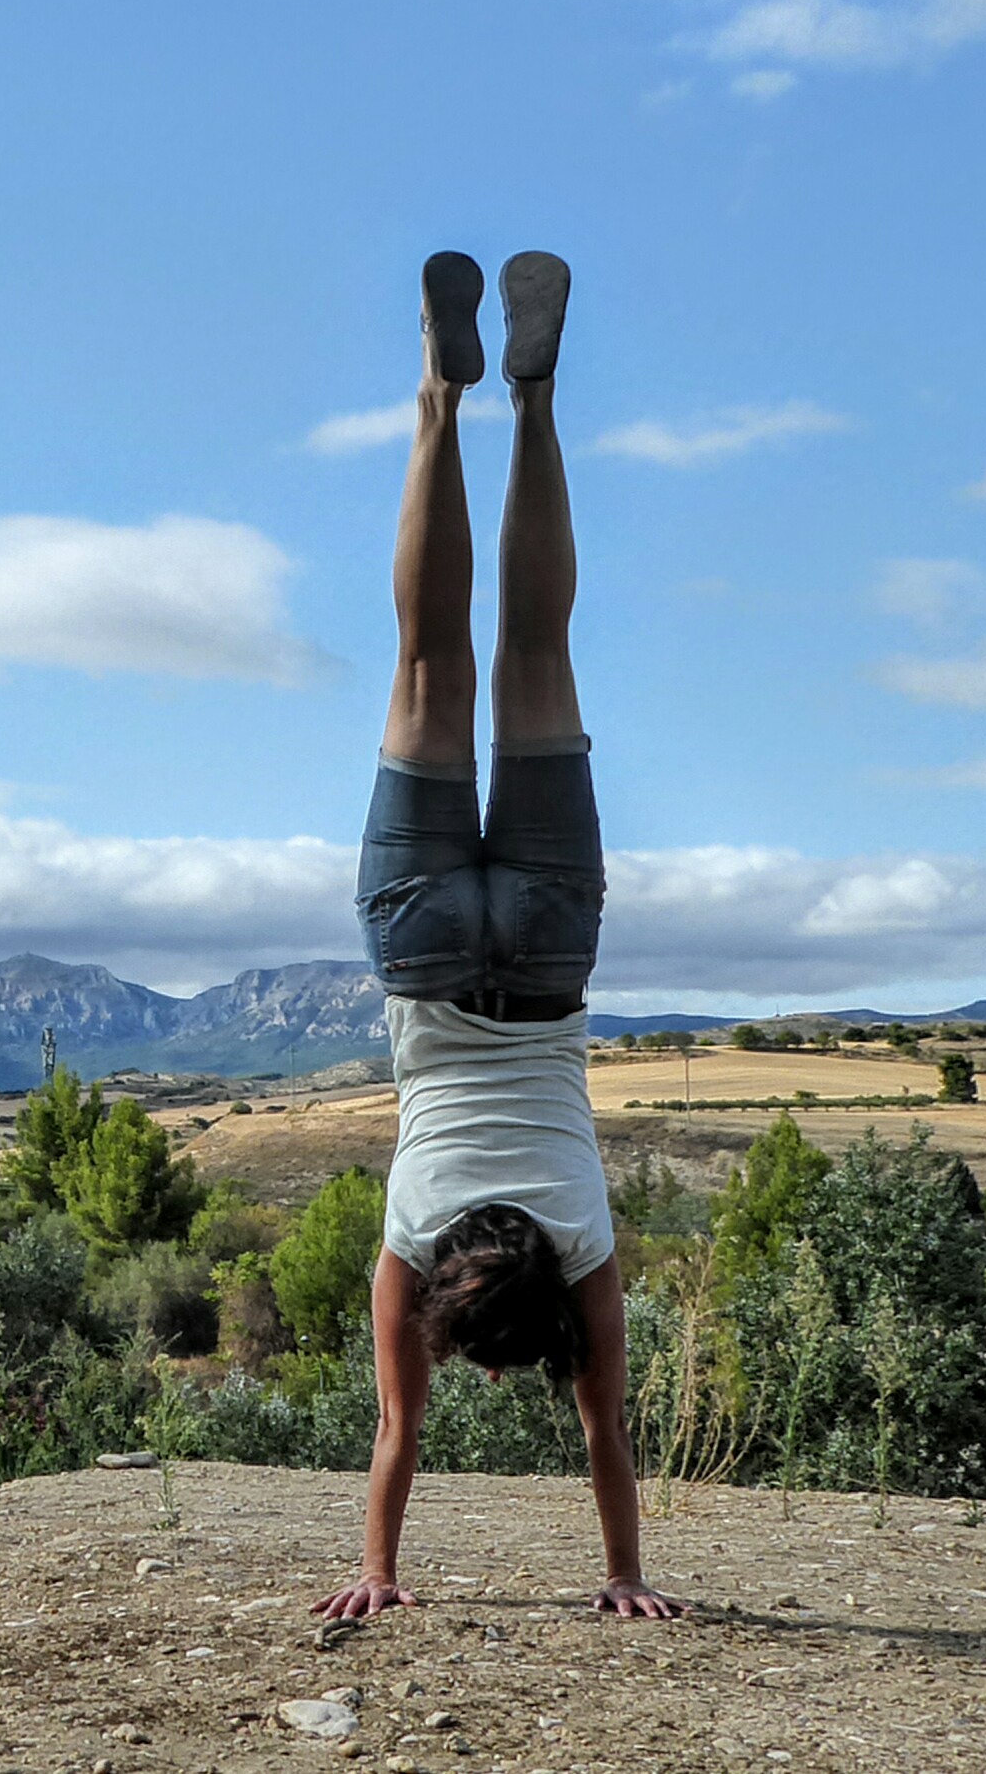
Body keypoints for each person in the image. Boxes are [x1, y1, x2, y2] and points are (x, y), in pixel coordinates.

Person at [312, 249, 683, 1624]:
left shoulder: (582, 1246)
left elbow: (607, 1434)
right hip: (420, 949)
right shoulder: (409, 1241)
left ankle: (527, 399)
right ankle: (434, 392)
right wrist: (374, 1575)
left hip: (546, 950)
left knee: (537, 652)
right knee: (427, 660)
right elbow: (394, 1438)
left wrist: (629, 1571)